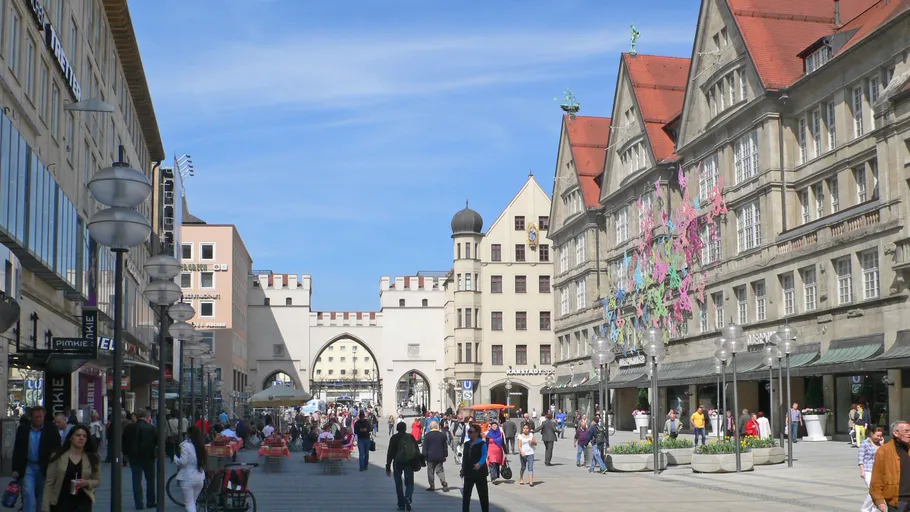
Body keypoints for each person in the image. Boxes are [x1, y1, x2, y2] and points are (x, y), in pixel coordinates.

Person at [11, 406, 61, 512]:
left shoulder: (51, 429)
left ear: (44, 416)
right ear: (31, 417)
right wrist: (15, 469)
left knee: (42, 495)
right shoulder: (23, 429)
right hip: (28, 466)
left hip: (44, 467)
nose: (38, 419)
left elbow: (57, 448)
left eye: (40, 417)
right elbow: (17, 449)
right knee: (28, 494)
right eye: (36, 417)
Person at [42, 424, 100, 512]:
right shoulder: (58, 456)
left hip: (83, 502)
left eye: (84, 436)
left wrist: (86, 483)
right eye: (78, 435)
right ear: (71, 438)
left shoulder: (92, 458)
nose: (81, 438)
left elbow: (97, 480)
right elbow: (49, 482)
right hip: (61, 501)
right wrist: (45, 506)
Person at [870, 420, 910, 510]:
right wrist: (879, 500)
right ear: (896, 433)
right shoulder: (884, 451)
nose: (909, 434)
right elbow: (876, 478)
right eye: (906, 431)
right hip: (897, 502)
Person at [129, 409, 158, 509]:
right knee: (150, 480)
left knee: (136, 480)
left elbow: (124, 442)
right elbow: (157, 443)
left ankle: (139, 503)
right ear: (148, 418)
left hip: (134, 458)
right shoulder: (152, 428)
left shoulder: (130, 427)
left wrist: (127, 455)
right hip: (148, 458)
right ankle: (150, 501)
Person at [175, 426, 207, 512]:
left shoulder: (185, 446)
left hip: (187, 477)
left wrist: (175, 459)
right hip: (199, 477)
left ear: (189, 434)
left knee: (189, 503)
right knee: (193, 502)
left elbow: (183, 462)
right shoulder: (201, 445)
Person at [386, 422, 417, 511]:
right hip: (409, 462)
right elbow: (416, 450)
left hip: (397, 462)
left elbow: (390, 452)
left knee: (398, 483)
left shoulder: (394, 438)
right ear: (405, 428)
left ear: (397, 428)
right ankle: (408, 497)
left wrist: (388, 466)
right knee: (410, 482)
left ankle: (401, 504)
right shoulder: (410, 437)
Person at [461, 424, 490, 511]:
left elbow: (484, 454)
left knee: (483, 495)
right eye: (468, 432)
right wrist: (463, 468)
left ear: (477, 433)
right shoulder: (466, 444)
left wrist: (480, 464)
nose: (469, 434)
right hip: (468, 472)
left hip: (480, 472)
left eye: (471, 432)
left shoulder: (482, 443)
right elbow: (464, 457)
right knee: (466, 495)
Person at [858, 426, 883, 512]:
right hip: (868, 470)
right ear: (872, 434)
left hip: (878, 471)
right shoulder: (865, 443)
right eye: (877, 436)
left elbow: (884, 456)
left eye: (880, 436)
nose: (879, 438)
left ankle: (872, 508)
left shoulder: (880, 444)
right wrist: (862, 470)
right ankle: (865, 509)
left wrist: (882, 445)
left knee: (877, 490)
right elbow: (860, 458)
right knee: (873, 490)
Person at [422, 420, 448, 492]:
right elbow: (445, 446)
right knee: (440, 470)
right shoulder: (442, 435)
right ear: (437, 426)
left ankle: (432, 486)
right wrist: (445, 455)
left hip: (430, 456)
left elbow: (425, 447)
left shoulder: (427, 435)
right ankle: (444, 482)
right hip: (440, 456)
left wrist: (424, 456)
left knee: (430, 471)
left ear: (430, 427)